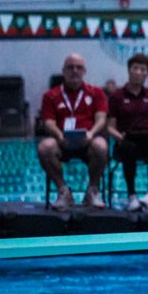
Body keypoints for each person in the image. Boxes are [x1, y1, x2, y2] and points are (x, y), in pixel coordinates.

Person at [37, 53, 109, 210]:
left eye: (79, 67)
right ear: (63, 71)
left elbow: (101, 119)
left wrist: (90, 134)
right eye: (70, 67)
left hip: (88, 141)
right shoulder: (51, 95)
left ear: (85, 71)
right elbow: (49, 123)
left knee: (101, 145)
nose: (74, 71)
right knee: (45, 147)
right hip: (62, 141)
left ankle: (93, 191)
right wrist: (59, 135)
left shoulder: (96, 93)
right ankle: (63, 191)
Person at [106, 52, 148, 211]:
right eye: (135, 68)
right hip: (126, 140)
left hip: (147, 139)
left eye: (143, 69)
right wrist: (120, 137)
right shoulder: (117, 96)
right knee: (128, 148)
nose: (138, 72)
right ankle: (131, 195)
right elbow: (110, 126)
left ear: (147, 73)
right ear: (129, 70)